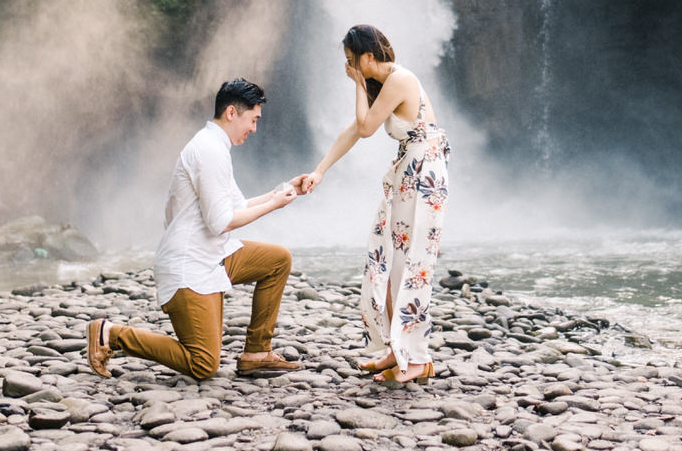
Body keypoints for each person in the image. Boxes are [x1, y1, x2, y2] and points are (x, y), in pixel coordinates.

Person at [86, 78, 303, 380]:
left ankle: (256, 352)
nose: (254, 128)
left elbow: (236, 207)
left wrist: (282, 190)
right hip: (189, 266)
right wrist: (275, 205)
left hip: (212, 256)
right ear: (231, 113)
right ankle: (111, 334)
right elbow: (221, 221)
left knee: (277, 260)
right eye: (252, 120)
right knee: (203, 364)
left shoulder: (216, 147)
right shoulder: (208, 150)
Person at [300, 25, 450, 384]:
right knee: (387, 260)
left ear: (368, 56)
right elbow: (354, 130)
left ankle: (417, 359)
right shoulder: (387, 84)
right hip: (409, 173)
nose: (349, 68)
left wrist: (356, 84)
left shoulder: (400, 79)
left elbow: (366, 128)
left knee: (411, 264)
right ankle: (394, 350)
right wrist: (319, 171)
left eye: (352, 62)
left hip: (424, 176)